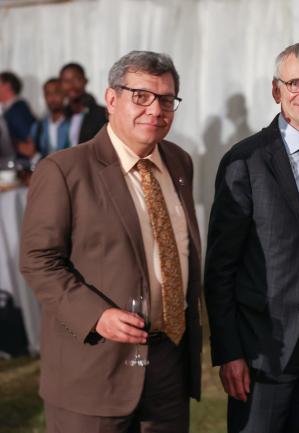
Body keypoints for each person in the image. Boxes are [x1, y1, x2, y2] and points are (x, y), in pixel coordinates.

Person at [20, 50, 202, 433]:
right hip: (93, 371)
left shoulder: (179, 162)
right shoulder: (63, 170)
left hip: (168, 364)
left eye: (166, 99)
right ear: (111, 99)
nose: (155, 109)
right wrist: (96, 315)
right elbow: (39, 260)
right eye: (141, 96)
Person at [204, 42, 299, 433]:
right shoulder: (246, 160)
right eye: (295, 83)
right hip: (264, 342)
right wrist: (229, 352)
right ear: (277, 91)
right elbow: (220, 267)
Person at [59, 62, 107, 146]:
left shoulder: (102, 114)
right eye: (66, 81)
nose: (71, 85)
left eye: (76, 79)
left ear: (85, 81)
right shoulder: (61, 116)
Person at [29, 78, 71, 159]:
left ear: (64, 94)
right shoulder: (38, 126)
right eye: (47, 94)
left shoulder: (73, 122)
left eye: (56, 93)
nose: (52, 98)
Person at [0, 71, 36, 161]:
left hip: (20, 168)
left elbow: (30, 149)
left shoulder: (17, 110)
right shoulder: (14, 109)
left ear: (7, 86)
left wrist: (6, 141)